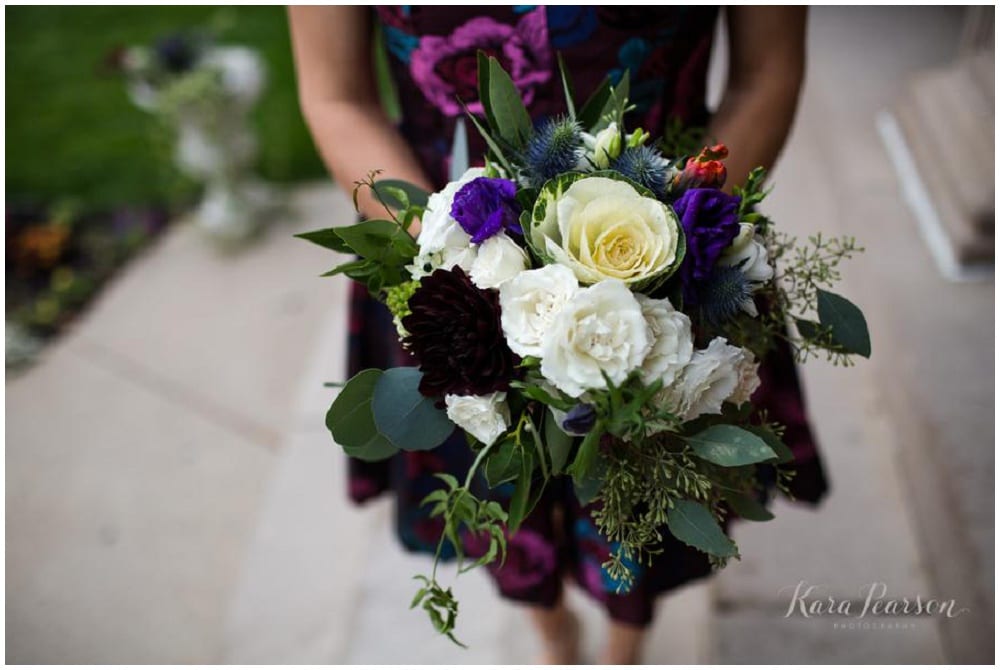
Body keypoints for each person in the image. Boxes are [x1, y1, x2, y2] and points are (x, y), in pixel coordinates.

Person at [289, 6, 823, 664]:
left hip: (668, 252)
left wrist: (669, 258)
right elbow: (336, 94)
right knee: (497, 490)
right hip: (451, 250)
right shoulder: (450, 264)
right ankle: (553, 636)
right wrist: (456, 262)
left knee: (643, 505)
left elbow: (765, 72)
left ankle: (626, 645)